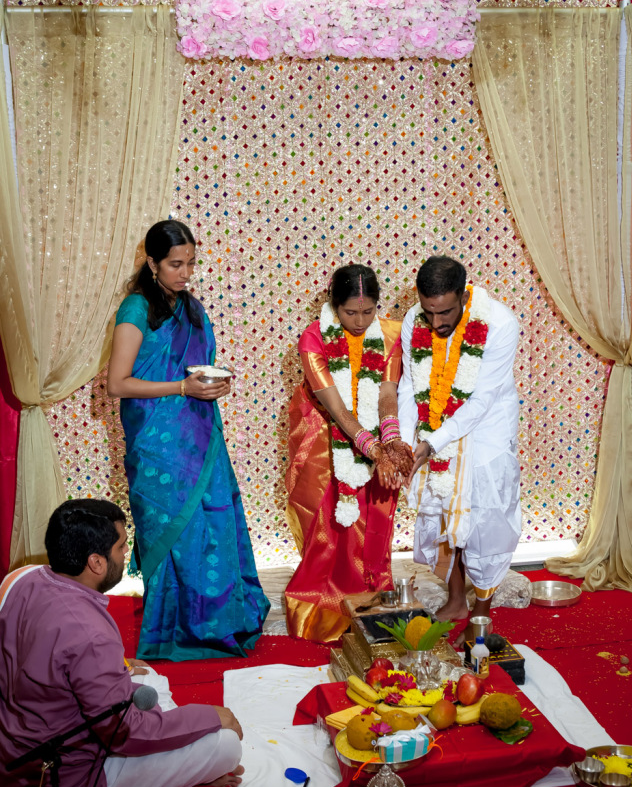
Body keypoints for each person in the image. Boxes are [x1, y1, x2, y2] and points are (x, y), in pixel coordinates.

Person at [0, 500, 244, 787]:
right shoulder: (89, 635)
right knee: (226, 744)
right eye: (121, 546)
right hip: (64, 781)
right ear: (96, 562)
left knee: (146, 675)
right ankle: (185, 770)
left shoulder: (19, 578)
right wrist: (212, 716)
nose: (127, 552)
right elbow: (126, 734)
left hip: (13, 755)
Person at [107, 219, 270, 660]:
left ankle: (219, 622)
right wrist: (182, 388)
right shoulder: (136, 309)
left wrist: (213, 385)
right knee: (176, 533)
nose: (185, 273)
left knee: (215, 525)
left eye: (191, 264)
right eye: (175, 264)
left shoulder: (192, 309)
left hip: (201, 436)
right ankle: (175, 629)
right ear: (152, 262)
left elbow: (197, 368)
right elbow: (118, 384)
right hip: (158, 447)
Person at [285, 264, 413, 642]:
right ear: (333, 306)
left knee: (376, 508)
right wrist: (372, 448)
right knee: (328, 519)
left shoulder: (389, 335)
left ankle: (372, 596)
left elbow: (387, 392)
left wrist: (390, 440)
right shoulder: (314, 338)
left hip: (373, 427)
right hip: (324, 432)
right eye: (350, 312)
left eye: (368, 311)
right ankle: (326, 604)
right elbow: (339, 410)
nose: (359, 321)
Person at [398, 255, 521, 631]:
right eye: (428, 311)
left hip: (487, 432)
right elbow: (409, 386)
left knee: (484, 516)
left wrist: (431, 444)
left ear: (464, 296)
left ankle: (482, 606)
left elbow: (481, 400)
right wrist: (405, 444)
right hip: (434, 427)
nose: (436, 322)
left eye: (446, 312)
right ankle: (456, 598)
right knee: (442, 506)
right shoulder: (413, 321)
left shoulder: (500, 324)